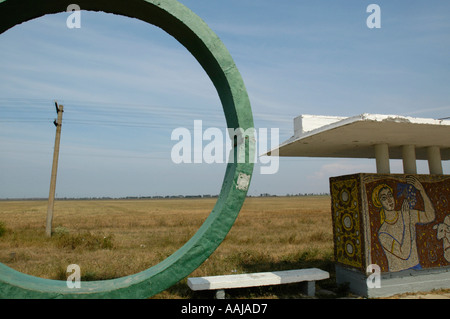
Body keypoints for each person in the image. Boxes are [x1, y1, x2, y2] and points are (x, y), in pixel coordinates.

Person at [371, 176, 435, 272]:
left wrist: (422, 190)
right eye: (384, 198)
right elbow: (404, 254)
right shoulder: (383, 232)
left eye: (390, 195)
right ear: (379, 203)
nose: (389, 200)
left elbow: (430, 216)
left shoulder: (406, 213)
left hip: (416, 267)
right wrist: (406, 222)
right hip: (398, 272)